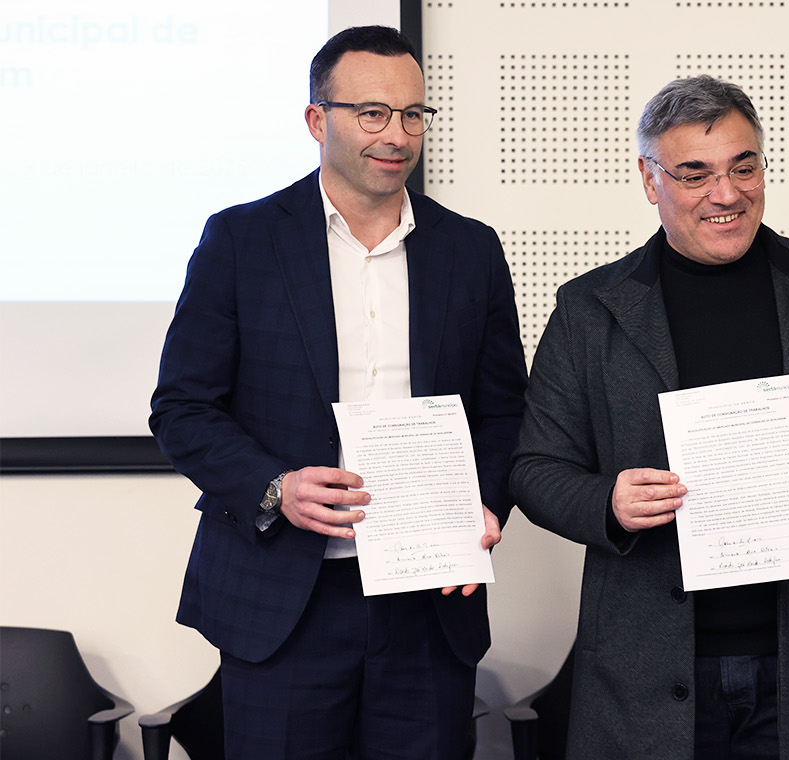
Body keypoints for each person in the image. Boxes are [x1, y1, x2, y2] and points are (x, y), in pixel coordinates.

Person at [509, 75, 789, 759]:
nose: (727, 194)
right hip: (643, 666)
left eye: (743, 166)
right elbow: (535, 468)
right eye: (695, 174)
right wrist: (607, 502)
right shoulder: (590, 309)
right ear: (650, 180)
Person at [149, 25, 527, 759]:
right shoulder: (242, 240)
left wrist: (483, 502)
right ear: (317, 120)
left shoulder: (470, 249)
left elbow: (505, 408)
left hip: (427, 599)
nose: (397, 135)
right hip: (283, 600)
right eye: (373, 113)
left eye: (413, 114)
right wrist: (275, 487)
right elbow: (182, 409)